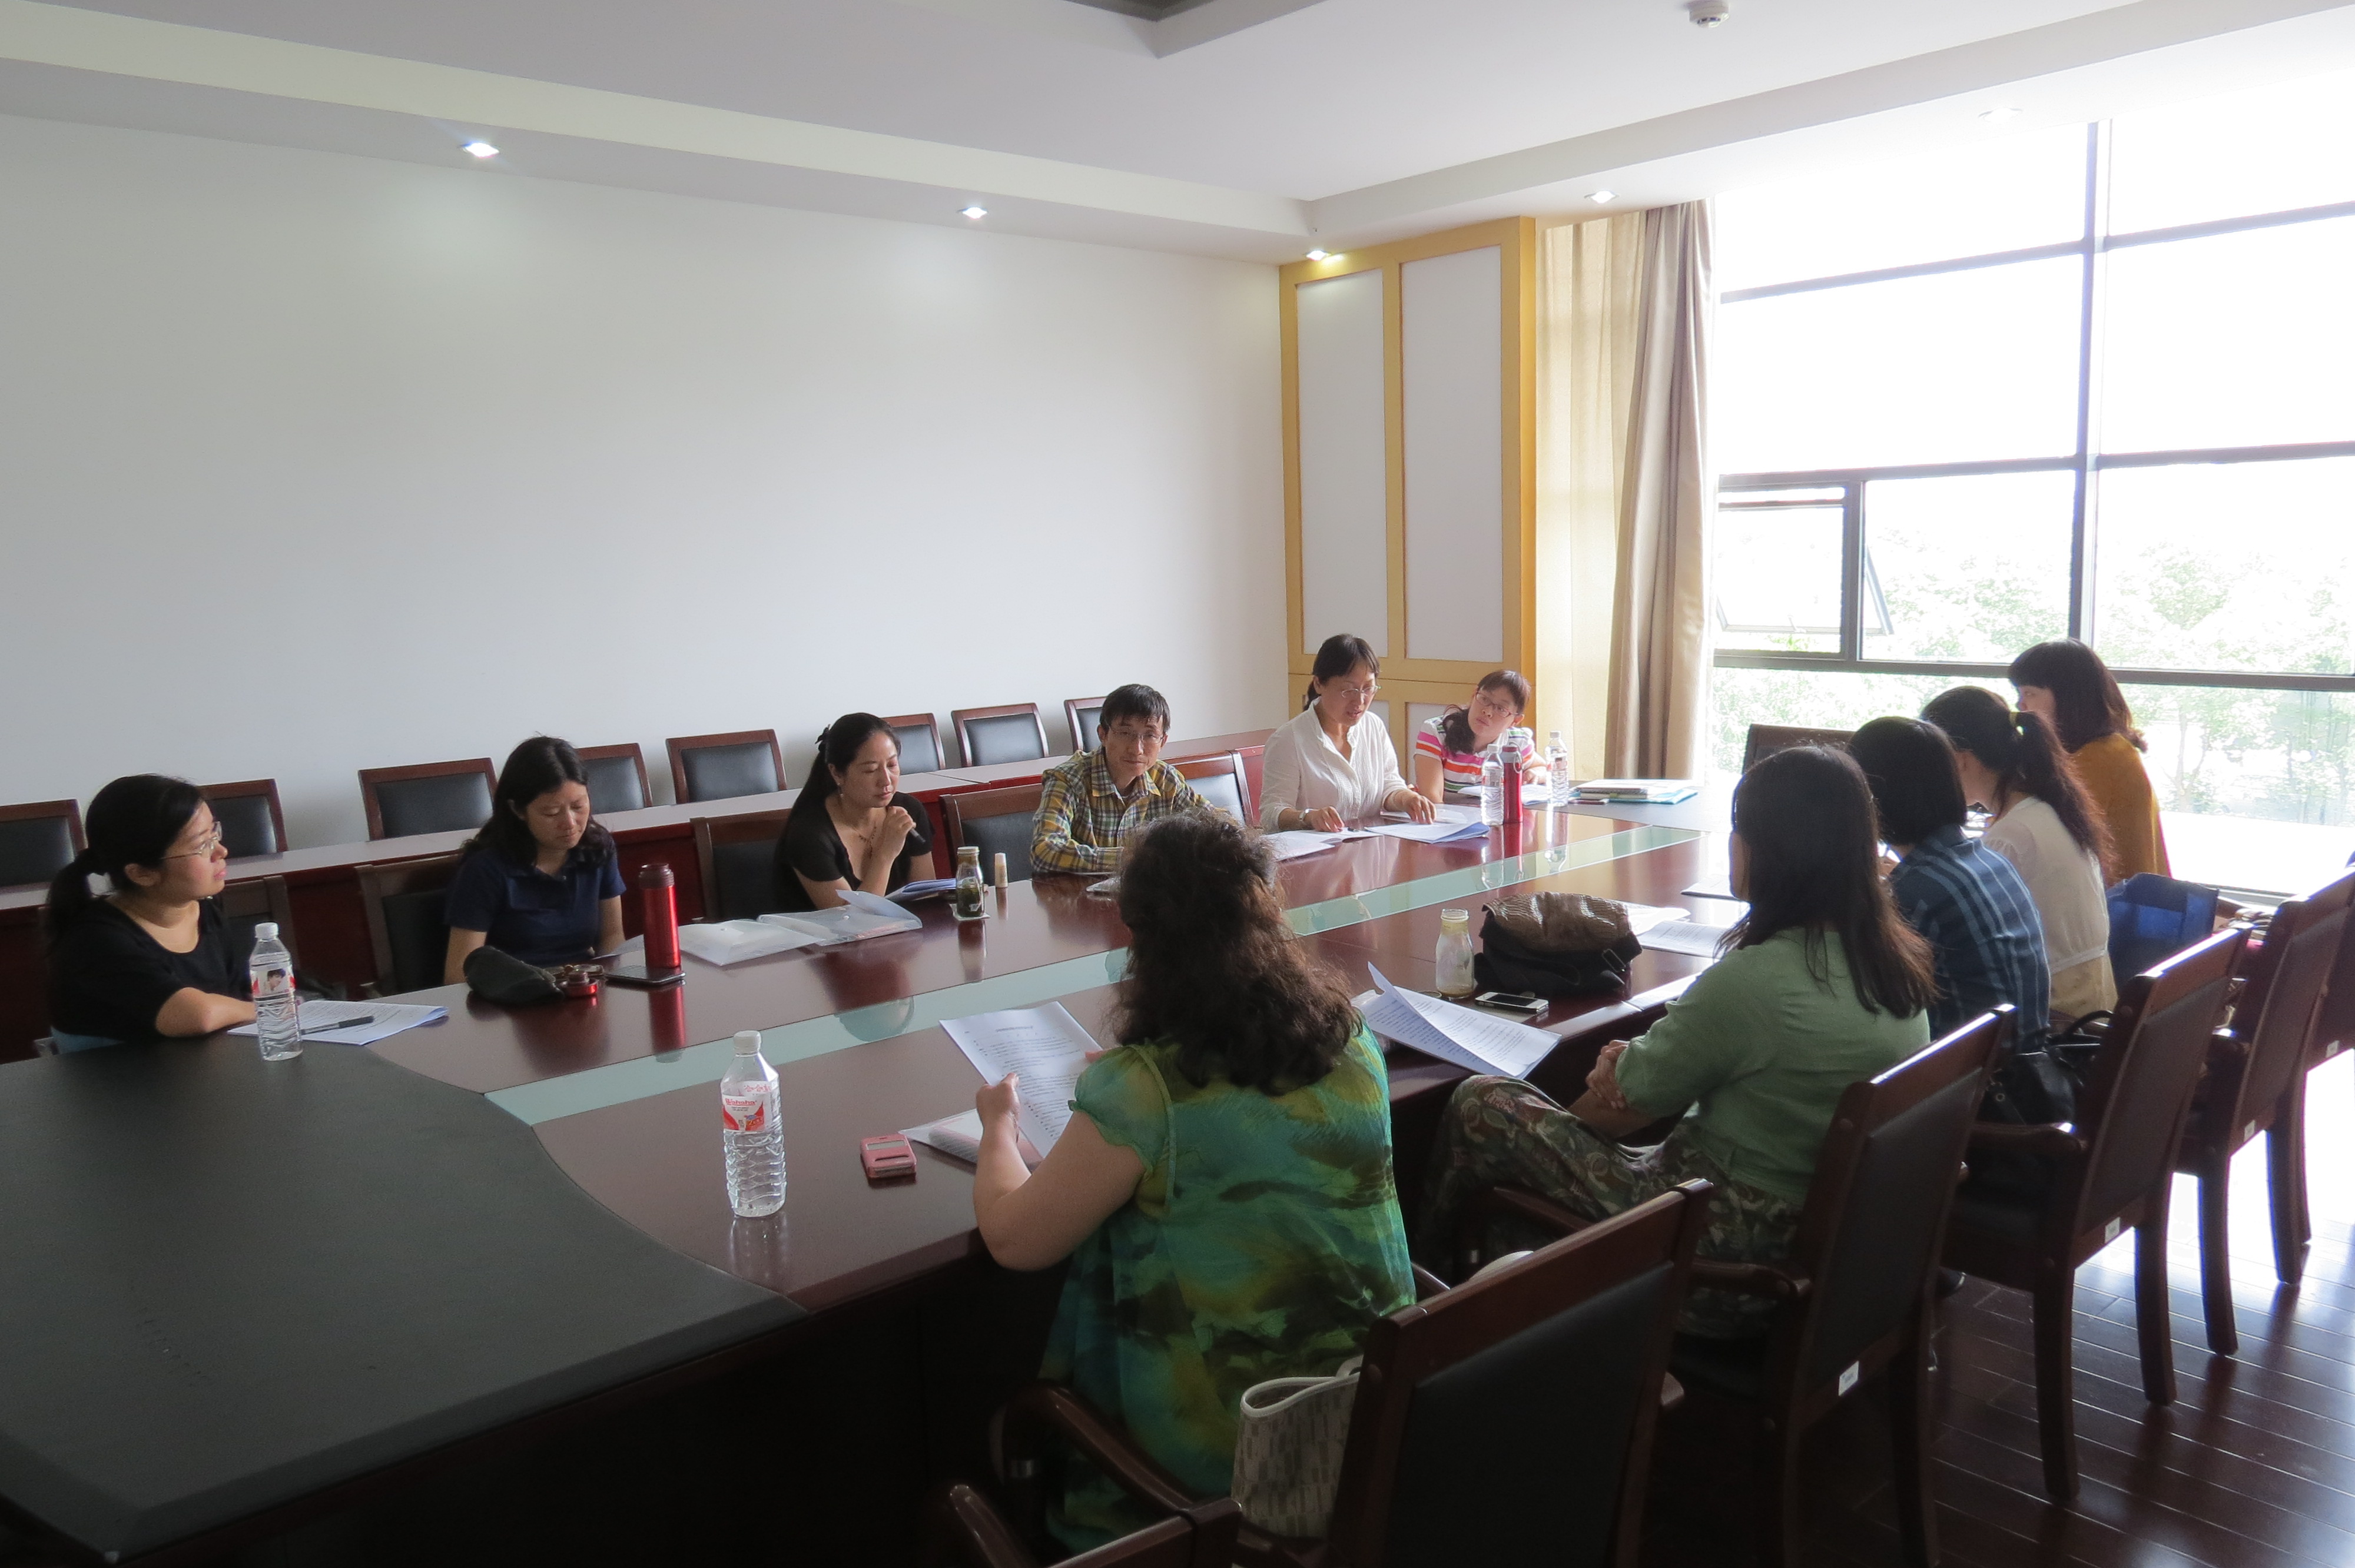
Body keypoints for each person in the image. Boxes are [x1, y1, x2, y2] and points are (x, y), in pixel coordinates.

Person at [969, 813, 1412, 1549]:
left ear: (1142, 937)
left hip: (1228, 1472)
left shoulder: (1145, 1095)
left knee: (994, 1435)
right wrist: (1133, 1084)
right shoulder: (1351, 1039)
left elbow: (1013, 1240)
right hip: (1368, 1426)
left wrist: (997, 1126)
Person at [1417, 746, 1935, 1336]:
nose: (1733, 844)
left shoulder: (1758, 981)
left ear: (1772, 852)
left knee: (1482, 1104)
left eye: (1740, 830)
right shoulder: (1896, 964)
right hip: (1823, 1246)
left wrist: (1618, 1081)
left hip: (1721, 1264)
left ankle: (1423, 1313)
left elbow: (1609, 1118)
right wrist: (1642, 1066)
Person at [1922, 686, 2118, 1025]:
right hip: (2091, 1001)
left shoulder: (2011, 836)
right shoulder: (2047, 808)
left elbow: (1967, 939)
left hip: (2057, 1017)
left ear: (1959, 759)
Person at [1849, 717, 2052, 1042]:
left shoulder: (1917, 893)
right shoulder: (1990, 862)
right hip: (2025, 1059)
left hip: (1976, 1071)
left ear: (1873, 797)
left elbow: (1874, 1011)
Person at [45, 774, 256, 1051]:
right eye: (201, 845)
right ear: (142, 873)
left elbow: (233, 998)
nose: (221, 851)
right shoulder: (95, 940)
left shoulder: (203, 908)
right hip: (119, 1077)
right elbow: (197, 1015)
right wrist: (266, 1009)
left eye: (214, 834)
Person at [445, 738, 626, 981]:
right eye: (551, 812)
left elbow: (612, 938)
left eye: (578, 806)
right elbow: (458, 974)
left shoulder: (597, 850)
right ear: (518, 810)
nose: (570, 823)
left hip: (583, 987)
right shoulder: (485, 869)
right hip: (515, 995)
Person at [2008, 639, 2171, 879]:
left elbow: (2045, 836)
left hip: (2114, 898)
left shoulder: (2099, 757)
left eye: (2030, 693)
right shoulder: (2108, 747)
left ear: (2068, 697)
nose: (2020, 704)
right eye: (2019, 694)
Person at [1031, 683, 1213, 873]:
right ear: (1103, 735)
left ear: (1163, 742)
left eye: (1150, 735)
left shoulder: (1166, 779)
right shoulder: (1068, 780)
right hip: (1083, 892)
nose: (1137, 749)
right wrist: (1136, 859)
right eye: (1125, 733)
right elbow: (1045, 851)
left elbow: (1217, 825)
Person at [1259, 634, 1435, 830]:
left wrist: (1407, 799)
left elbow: (1389, 785)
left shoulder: (1373, 726)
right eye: (1348, 691)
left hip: (1368, 845)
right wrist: (1309, 817)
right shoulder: (1288, 740)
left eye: (1368, 689)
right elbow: (1271, 813)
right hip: (1316, 848)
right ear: (1319, 684)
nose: (1360, 701)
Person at [775, 713, 936, 912]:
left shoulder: (908, 810)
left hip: (900, 929)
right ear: (837, 773)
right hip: (828, 931)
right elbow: (852, 920)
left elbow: (926, 899)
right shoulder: (809, 833)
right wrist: (885, 855)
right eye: (871, 770)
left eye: (892, 765)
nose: (886, 780)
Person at [1412, 669, 1542, 805]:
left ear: (1515, 720)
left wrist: (1536, 773)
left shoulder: (1517, 743)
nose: (1488, 711)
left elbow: (1541, 767)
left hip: (1491, 815)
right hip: (1444, 814)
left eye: (1501, 709)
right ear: (1474, 695)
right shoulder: (1436, 732)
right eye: (1484, 699)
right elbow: (1433, 798)